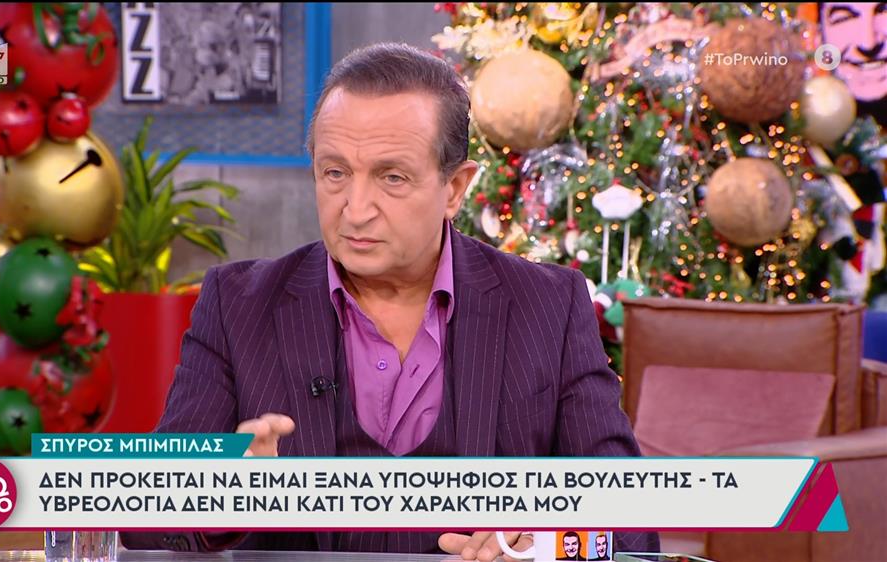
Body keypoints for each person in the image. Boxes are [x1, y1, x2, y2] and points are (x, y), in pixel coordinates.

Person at [121, 42, 659, 560]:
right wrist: (224, 495)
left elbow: (631, 527)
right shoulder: (238, 305)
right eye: (335, 173)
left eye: (392, 177)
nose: (355, 209)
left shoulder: (548, 306)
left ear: (455, 188)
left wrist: (545, 542)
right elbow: (145, 521)